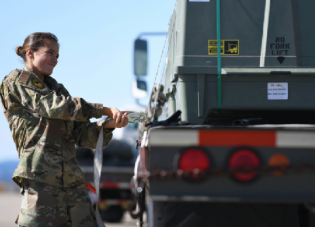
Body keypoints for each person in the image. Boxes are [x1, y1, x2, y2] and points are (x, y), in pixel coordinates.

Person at [0, 32, 129, 227]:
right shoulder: (17, 80)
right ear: (30, 53)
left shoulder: (57, 89)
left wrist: (110, 124)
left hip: (71, 181)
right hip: (41, 179)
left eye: (57, 56)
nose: (55, 60)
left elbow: (80, 133)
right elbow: (53, 106)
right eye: (50, 53)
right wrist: (102, 109)